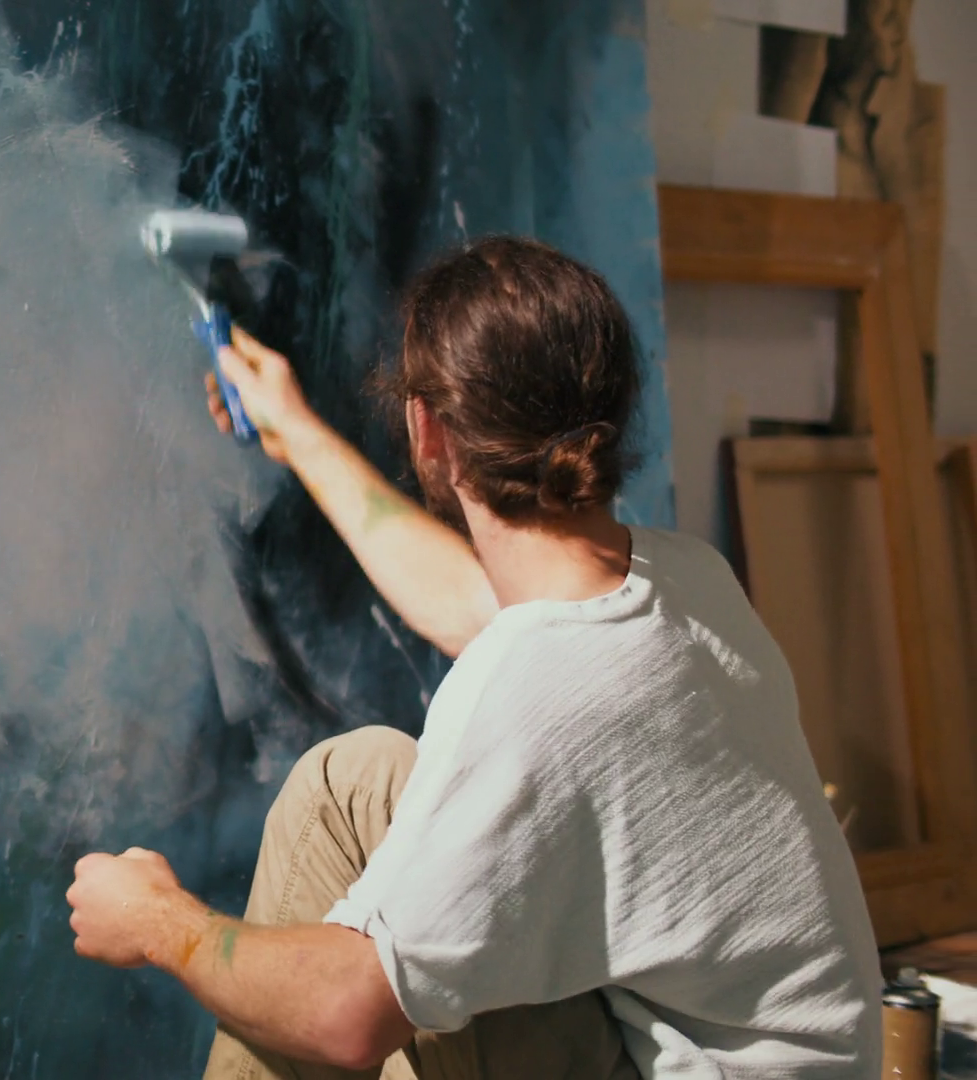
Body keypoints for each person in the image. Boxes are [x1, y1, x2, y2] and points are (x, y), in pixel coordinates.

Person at [65, 237, 882, 1078]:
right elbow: (469, 604)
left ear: (428, 429)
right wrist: (298, 433)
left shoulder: (530, 699)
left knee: (342, 962)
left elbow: (348, 1016)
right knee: (354, 784)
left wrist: (161, 924)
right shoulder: (684, 580)